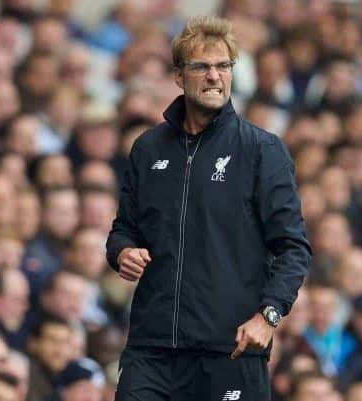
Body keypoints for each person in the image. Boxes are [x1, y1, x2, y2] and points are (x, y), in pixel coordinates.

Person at [106, 16, 311, 400]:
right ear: (179, 77)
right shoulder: (148, 149)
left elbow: (293, 248)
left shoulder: (261, 150)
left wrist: (268, 317)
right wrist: (123, 252)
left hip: (228, 349)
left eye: (223, 66)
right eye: (201, 66)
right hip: (151, 349)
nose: (214, 76)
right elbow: (124, 228)